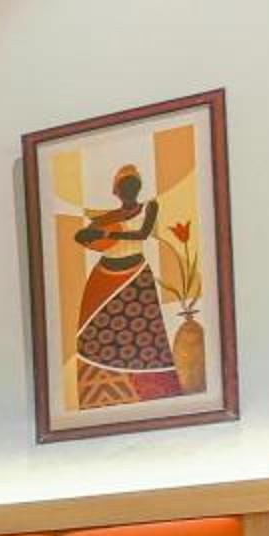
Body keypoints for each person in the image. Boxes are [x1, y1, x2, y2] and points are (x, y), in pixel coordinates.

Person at [68, 163, 182, 403]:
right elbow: (81, 236)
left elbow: (142, 234)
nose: (127, 190)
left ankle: (146, 390)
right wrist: (91, 237)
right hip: (104, 277)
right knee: (92, 333)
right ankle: (104, 389)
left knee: (145, 334)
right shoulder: (109, 217)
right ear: (117, 192)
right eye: (123, 186)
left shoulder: (149, 207)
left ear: (136, 188)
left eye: (131, 185)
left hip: (134, 276)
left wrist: (108, 235)